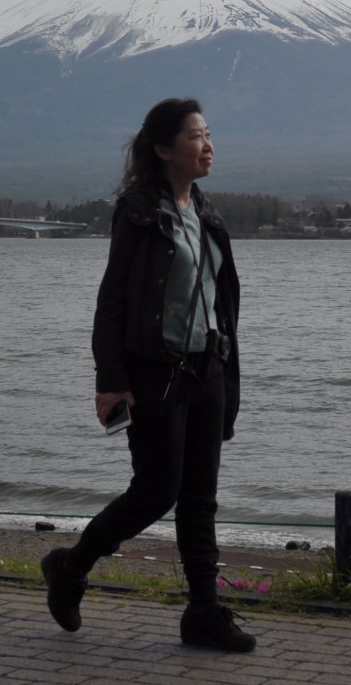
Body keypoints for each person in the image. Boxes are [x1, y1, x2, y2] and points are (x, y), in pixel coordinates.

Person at [41, 97, 254, 652]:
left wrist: (228, 375)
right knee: (156, 490)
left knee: (200, 495)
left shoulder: (205, 213)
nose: (208, 145)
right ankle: (71, 566)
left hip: (207, 367)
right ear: (164, 149)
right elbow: (112, 301)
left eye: (209, 134)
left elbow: (220, 301)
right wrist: (110, 380)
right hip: (156, 372)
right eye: (195, 136)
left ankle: (203, 612)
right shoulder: (138, 212)